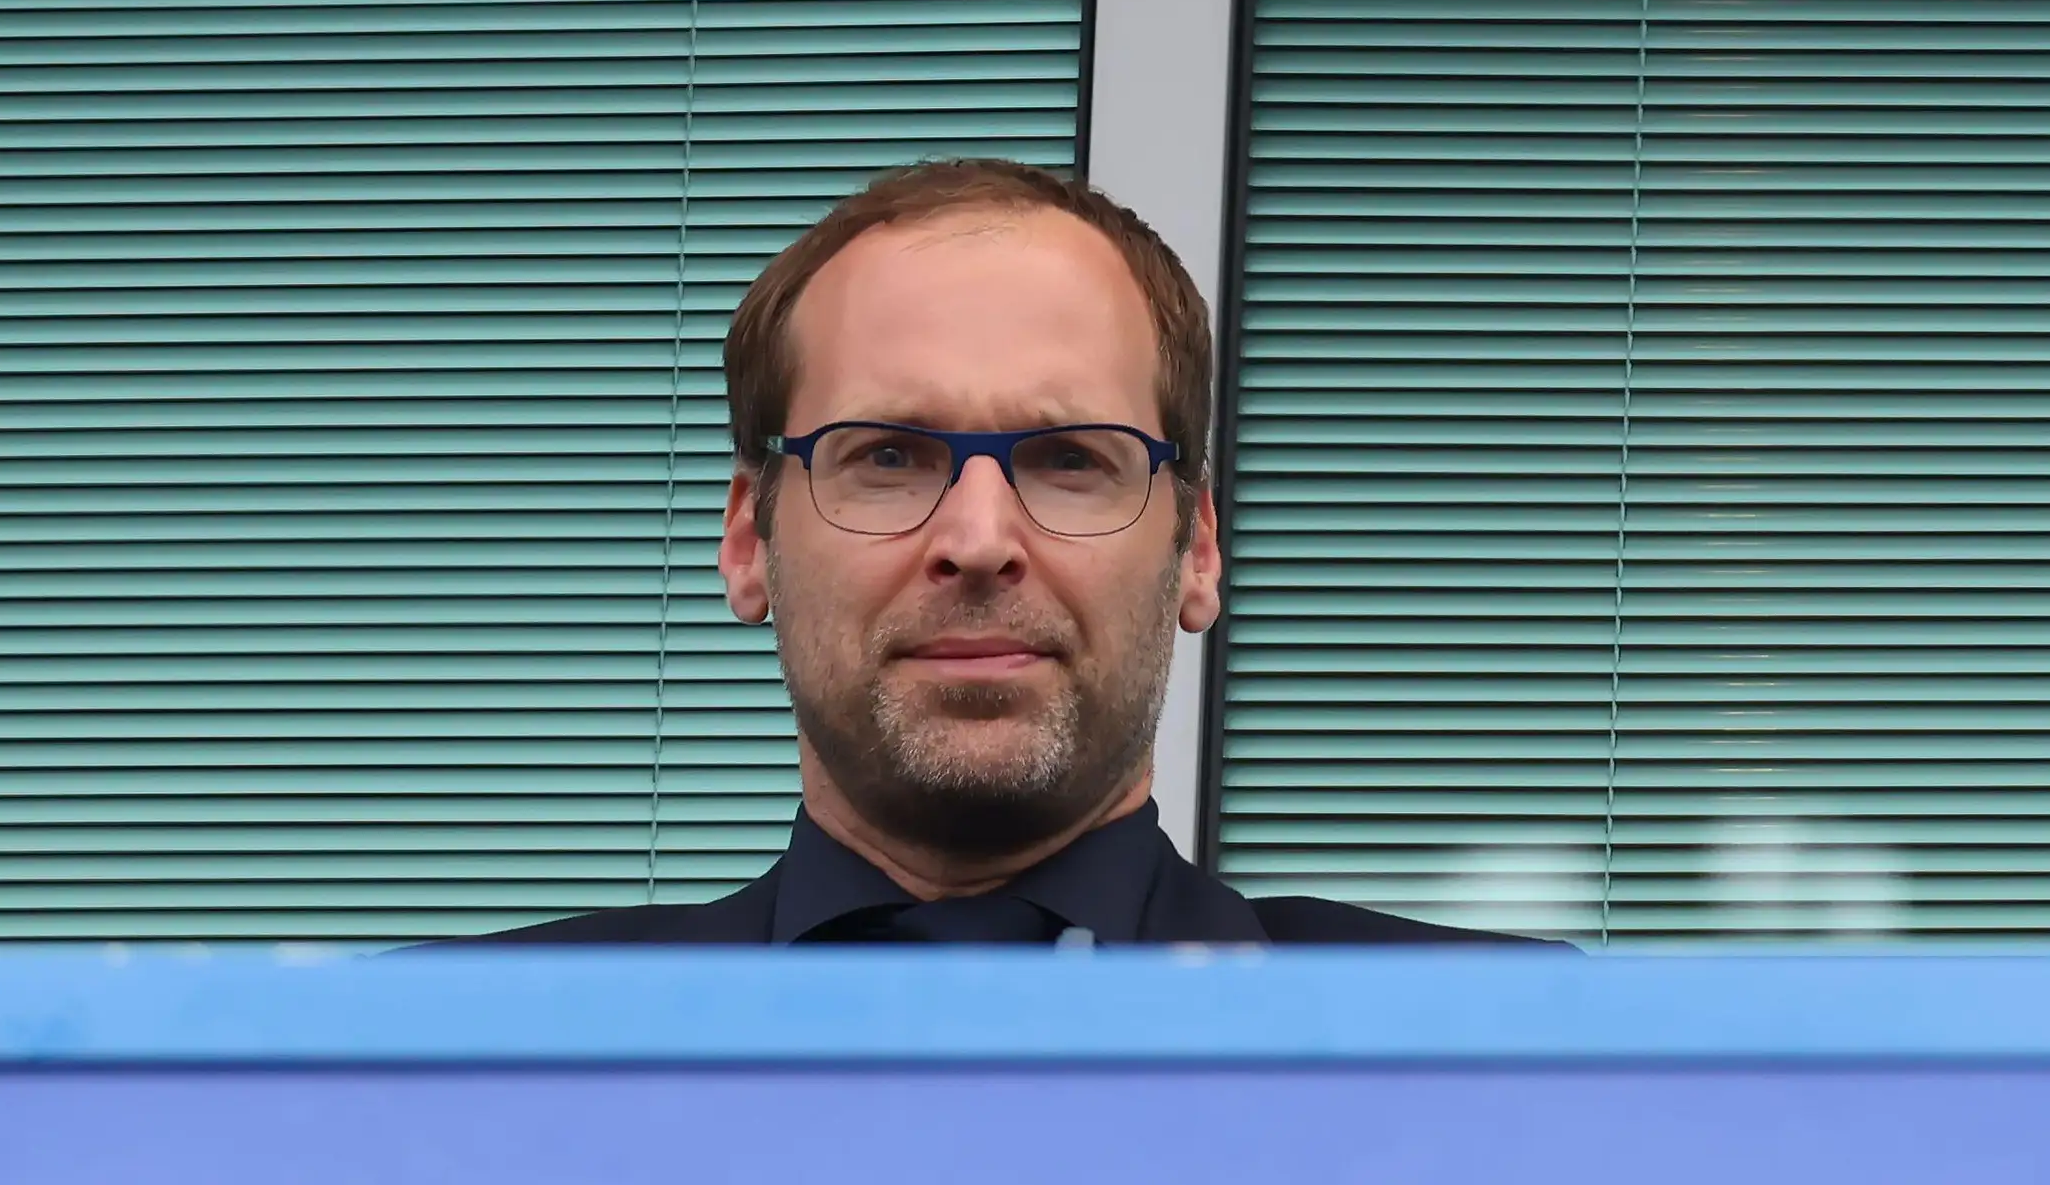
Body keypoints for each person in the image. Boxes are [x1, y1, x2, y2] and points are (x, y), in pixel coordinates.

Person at [482, 159, 1523, 945]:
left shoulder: (1504, 1067)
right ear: (750, 537)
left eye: (1071, 458)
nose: (978, 542)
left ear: (1196, 548)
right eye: (887, 454)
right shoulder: (453, 1075)